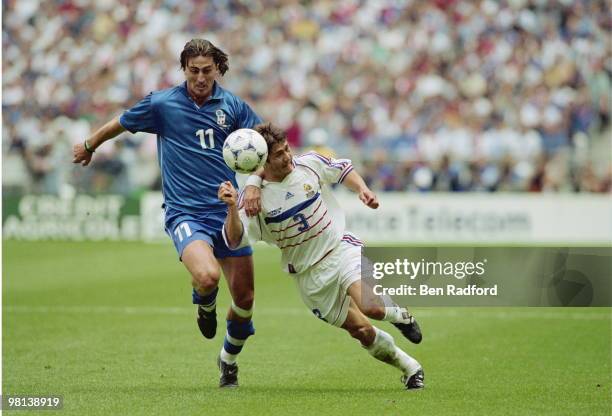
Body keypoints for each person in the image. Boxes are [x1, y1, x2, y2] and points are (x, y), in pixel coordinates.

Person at [72, 39, 264, 388]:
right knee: (207, 277)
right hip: (185, 213)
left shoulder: (234, 107)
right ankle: (204, 305)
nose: (201, 77)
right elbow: (122, 122)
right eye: (194, 71)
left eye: (207, 71)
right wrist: (90, 144)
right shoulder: (163, 104)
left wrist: (252, 184)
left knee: (246, 299)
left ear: (216, 69)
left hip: (226, 212)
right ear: (184, 69)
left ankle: (228, 361)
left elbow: (264, 143)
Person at [218, 123, 425, 390]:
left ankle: (401, 316)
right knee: (360, 331)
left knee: (371, 306)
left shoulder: (309, 163)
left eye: (287, 149)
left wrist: (361, 189)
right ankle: (410, 367)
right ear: (263, 162)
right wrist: (232, 207)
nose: (287, 156)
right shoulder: (253, 199)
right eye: (279, 154)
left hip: (340, 248)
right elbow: (234, 240)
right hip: (309, 275)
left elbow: (342, 170)